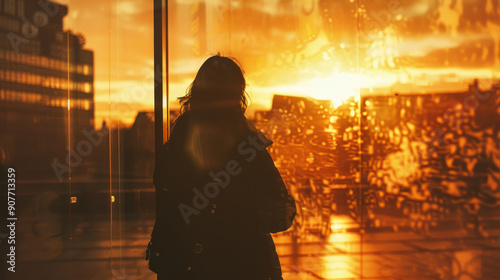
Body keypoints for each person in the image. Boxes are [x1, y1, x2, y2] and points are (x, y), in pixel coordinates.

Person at [148, 54, 296, 280]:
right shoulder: (249, 151)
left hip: (184, 269)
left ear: (195, 94)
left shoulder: (174, 149)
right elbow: (282, 215)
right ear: (237, 97)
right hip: (243, 267)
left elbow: (169, 218)